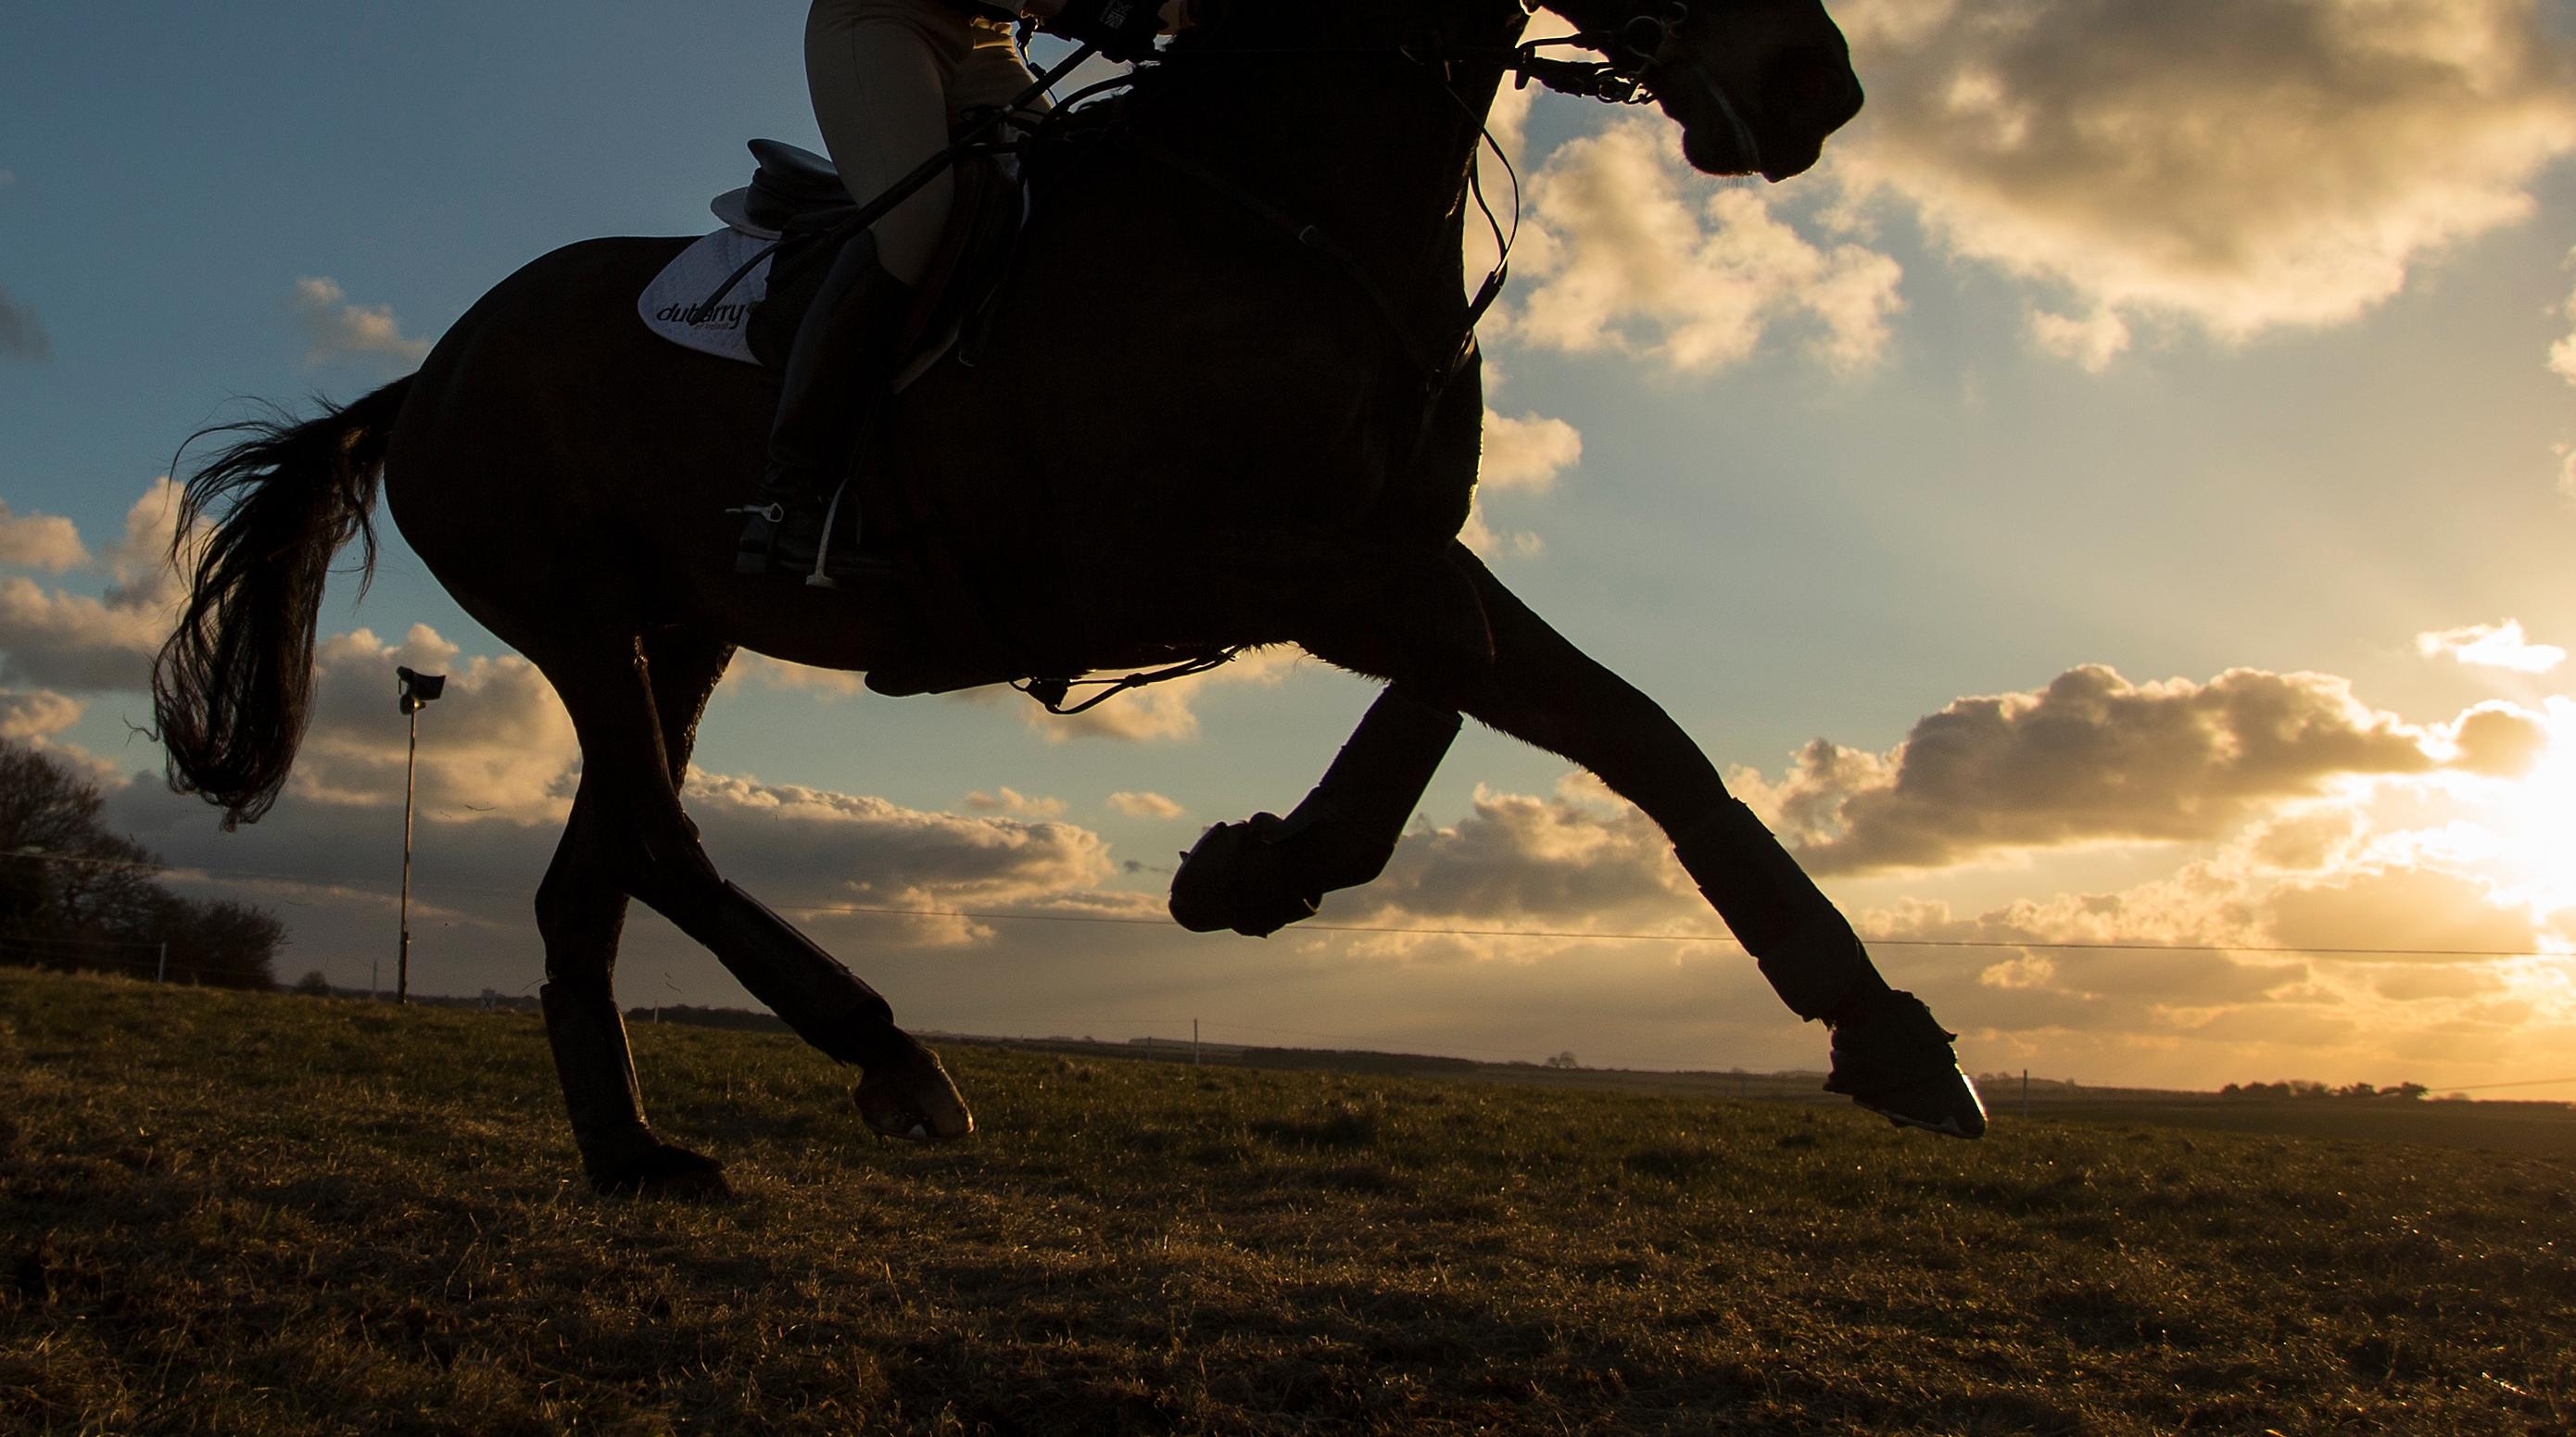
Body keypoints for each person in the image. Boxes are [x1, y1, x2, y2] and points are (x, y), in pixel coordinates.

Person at [736, 0, 1184, 581]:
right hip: (882, 19)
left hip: (987, 38)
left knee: (1075, 198)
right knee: (913, 222)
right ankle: (785, 503)